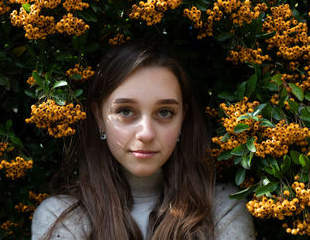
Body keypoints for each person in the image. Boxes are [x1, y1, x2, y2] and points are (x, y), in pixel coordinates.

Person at [31, 43, 255, 240]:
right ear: (99, 117)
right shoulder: (63, 218)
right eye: (126, 111)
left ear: (182, 120)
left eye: (165, 112)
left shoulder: (222, 210)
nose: (146, 133)